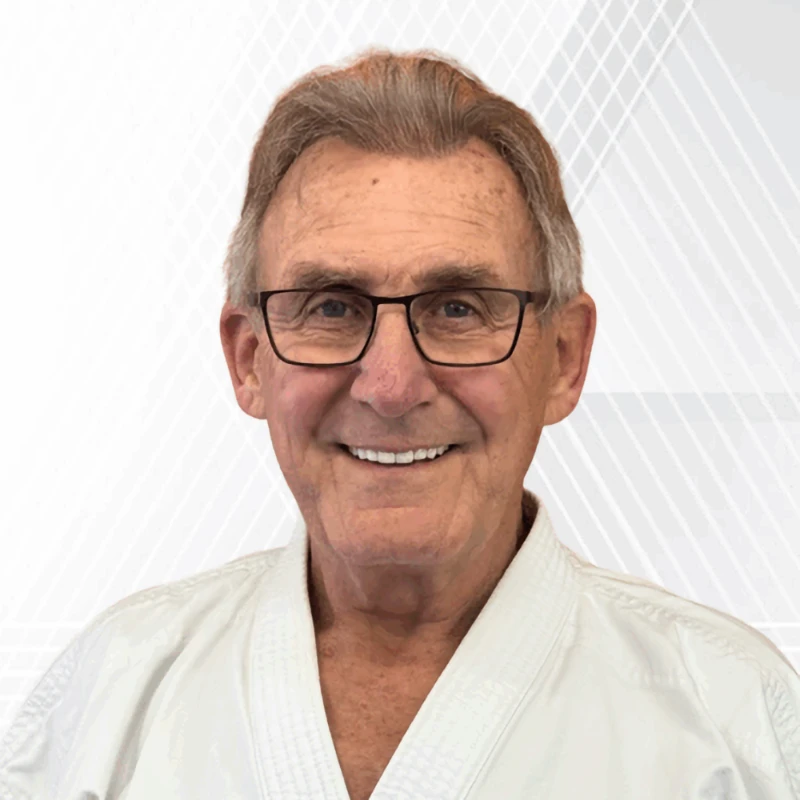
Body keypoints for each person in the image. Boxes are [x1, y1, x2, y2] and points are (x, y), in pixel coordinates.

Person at [2, 48, 799, 800]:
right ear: (250, 361)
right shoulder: (107, 707)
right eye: (331, 307)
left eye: (458, 308)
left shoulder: (735, 727)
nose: (390, 385)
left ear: (563, 359)